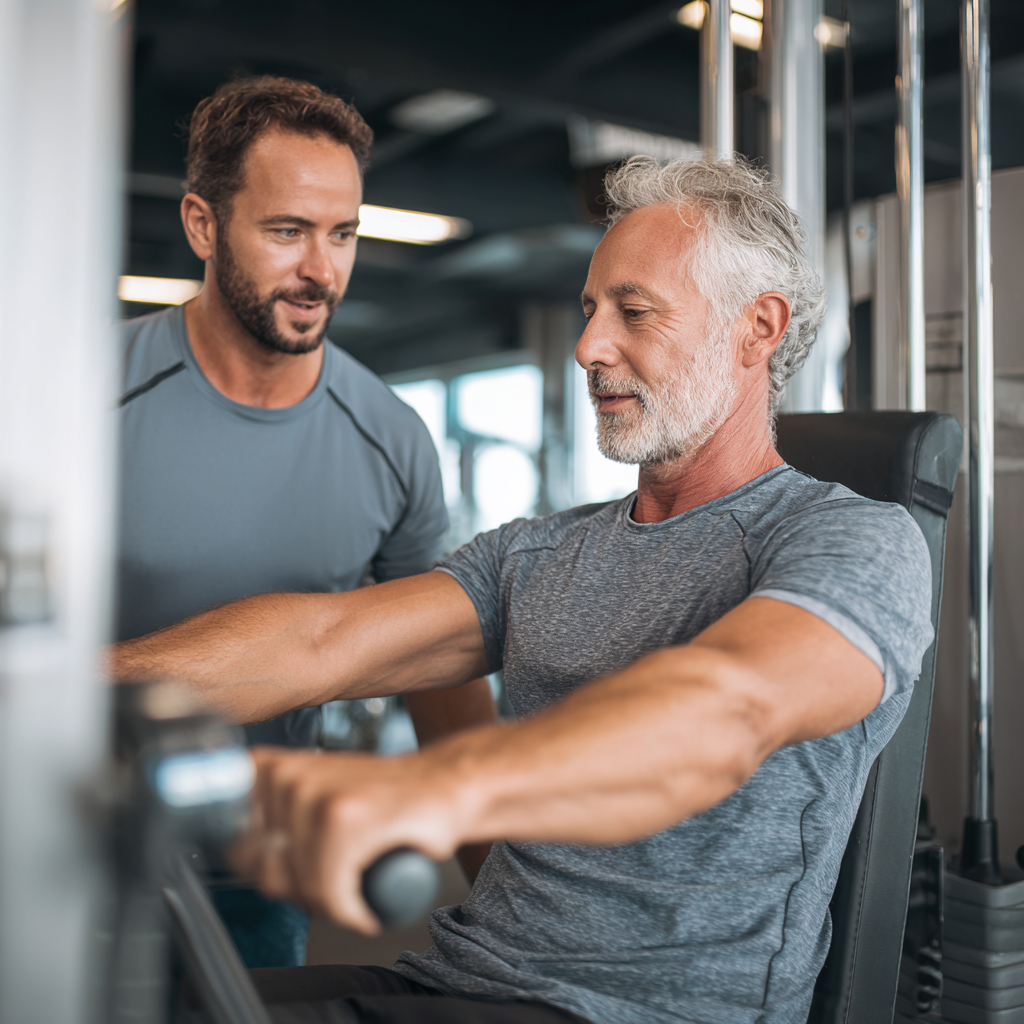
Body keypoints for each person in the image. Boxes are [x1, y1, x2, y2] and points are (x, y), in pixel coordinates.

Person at [111, 156, 934, 1024]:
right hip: (458, 978)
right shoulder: (544, 550)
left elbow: (725, 710)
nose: (588, 347)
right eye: (588, 311)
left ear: (756, 328)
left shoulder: (852, 540)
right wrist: (60, 686)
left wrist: (426, 789)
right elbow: (320, 644)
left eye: (634, 312)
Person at [117, 76, 496, 970]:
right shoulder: (78, 395)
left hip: (256, 865)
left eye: (343, 234)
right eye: (287, 231)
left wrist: (499, 893)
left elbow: (437, 670)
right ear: (204, 226)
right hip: (66, 837)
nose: (321, 270)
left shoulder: (391, 437)